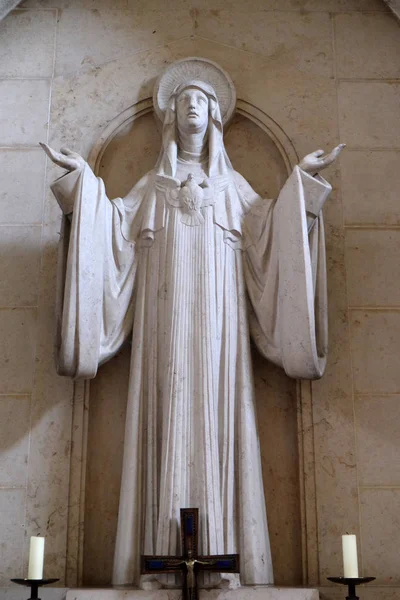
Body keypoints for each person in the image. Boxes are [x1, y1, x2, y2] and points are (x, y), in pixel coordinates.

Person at [41, 65, 344, 587]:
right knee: (164, 413)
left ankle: (226, 555)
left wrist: (303, 185)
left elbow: (272, 233)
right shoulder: (152, 188)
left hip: (219, 331)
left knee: (219, 414)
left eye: (202, 101)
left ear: (216, 116)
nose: (192, 108)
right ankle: (159, 557)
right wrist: (80, 187)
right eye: (183, 101)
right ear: (170, 116)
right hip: (163, 328)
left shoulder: (231, 186)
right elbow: (111, 232)